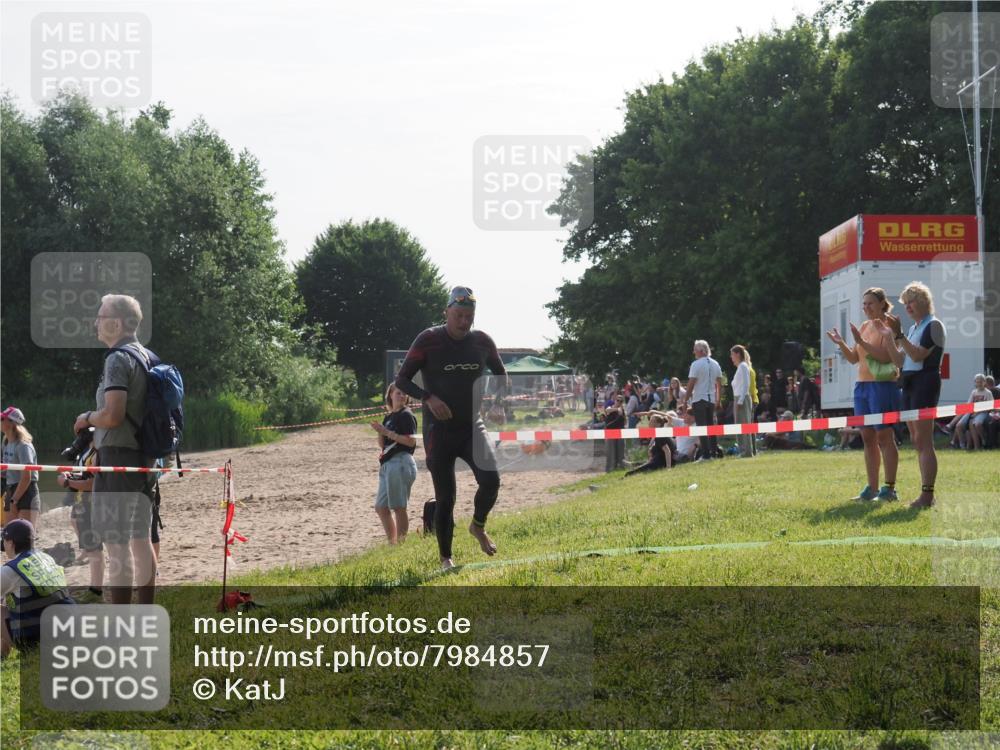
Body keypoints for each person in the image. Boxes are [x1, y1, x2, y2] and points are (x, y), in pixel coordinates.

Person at [395, 287, 509, 571]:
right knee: (446, 498)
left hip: (472, 425)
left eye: (468, 316)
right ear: (446, 312)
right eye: (458, 315)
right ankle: (446, 558)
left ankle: (478, 526)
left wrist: (497, 401)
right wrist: (428, 398)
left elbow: (501, 374)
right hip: (439, 431)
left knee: (492, 480)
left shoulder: (482, 342)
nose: (463, 322)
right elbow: (402, 380)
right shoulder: (428, 340)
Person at [75, 293, 157, 604]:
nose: (96, 321)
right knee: (140, 539)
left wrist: (86, 418)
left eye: (100, 315)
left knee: (117, 544)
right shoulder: (146, 356)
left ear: (117, 322)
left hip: (117, 458)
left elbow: (113, 415)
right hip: (143, 458)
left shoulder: (117, 359)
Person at [826, 287, 900, 503]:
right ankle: (872, 488)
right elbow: (854, 359)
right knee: (867, 438)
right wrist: (841, 343)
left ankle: (890, 489)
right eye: (864, 304)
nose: (866, 307)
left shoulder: (889, 326)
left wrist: (861, 341)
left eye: (870, 303)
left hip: (882, 387)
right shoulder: (865, 326)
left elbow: (887, 358)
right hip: (862, 387)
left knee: (885, 437)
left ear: (882, 304)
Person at [885, 282, 947, 509]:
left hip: (925, 383)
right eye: (905, 302)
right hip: (910, 383)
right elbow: (901, 361)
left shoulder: (934, 325)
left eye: (910, 301)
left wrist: (899, 335)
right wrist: (889, 337)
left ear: (922, 301)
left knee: (924, 441)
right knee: (917, 441)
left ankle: (928, 496)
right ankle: (926, 494)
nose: (907, 307)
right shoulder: (913, 328)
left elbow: (918, 355)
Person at [1, 520, 75, 659]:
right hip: (70, 630)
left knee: (3, 606)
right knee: (10, 598)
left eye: (4, 541)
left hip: (40, 640)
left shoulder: (10, 570)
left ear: (10, 543)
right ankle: (2, 654)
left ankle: (20, 652)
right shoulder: (46, 558)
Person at [57, 438, 105, 602]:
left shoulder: (98, 451)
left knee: (95, 550)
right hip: (83, 503)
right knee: (93, 549)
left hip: (92, 505)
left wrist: (68, 482)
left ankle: (96, 591)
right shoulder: (89, 450)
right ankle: (95, 589)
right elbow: (86, 475)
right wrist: (71, 476)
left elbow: (94, 483)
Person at [370, 384, 418, 544]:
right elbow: (382, 444)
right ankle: (393, 542)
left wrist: (387, 432)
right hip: (388, 463)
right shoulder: (389, 417)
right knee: (381, 507)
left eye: (404, 393)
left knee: (398, 506)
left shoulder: (406, 415)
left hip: (401, 462)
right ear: (390, 394)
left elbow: (411, 442)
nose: (402, 395)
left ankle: (401, 544)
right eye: (398, 392)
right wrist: (380, 431)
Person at [680, 340, 723, 461]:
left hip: (699, 399)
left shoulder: (696, 364)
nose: (693, 351)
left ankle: (706, 455)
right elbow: (719, 384)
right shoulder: (716, 364)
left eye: (695, 349)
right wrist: (718, 400)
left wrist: (685, 400)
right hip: (711, 400)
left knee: (701, 427)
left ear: (700, 351)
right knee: (711, 426)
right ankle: (713, 452)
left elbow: (691, 384)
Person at [0, 408, 40, 529]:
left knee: (25, 538)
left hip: (26, 491)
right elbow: (5, 470)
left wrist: (14, 500)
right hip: (11, 488)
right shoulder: (6, 442)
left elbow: (26, 477)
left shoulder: (23, 445)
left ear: (12, 423)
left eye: (2, 419)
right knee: (9, 537)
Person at [729, 346, 756, 458]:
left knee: (745, 425)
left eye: (732, 354)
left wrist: (740, 401)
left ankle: (747, 452)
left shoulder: (743, 366)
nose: (731, 357)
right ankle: (743, 450)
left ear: (738, 354)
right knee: (740, 425)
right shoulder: (740, 367)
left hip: (742, 398)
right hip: (738, 398)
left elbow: (746, 384)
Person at [603, 395, 627, 472]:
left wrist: (620, 411)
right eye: (618, 400)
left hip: (620, 433)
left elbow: (624, 421)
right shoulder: (610, 407)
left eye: (621, 401)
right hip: (610, 433)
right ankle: (610, 469)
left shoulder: (622, 410)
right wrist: (617, 409)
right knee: (611, 453)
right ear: (615, 400)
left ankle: (620, 468)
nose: (619, 402)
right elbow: (607, 410)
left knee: (620, 452)